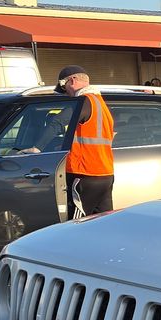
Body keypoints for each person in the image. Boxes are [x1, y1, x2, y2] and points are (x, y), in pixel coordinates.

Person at [55, 65, 115, 216]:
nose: (65, 93)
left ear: (72, 81)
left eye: (64, 87)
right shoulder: (100, 103)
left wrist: (36, 147)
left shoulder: (82, 102)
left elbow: (56, 123)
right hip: (105, 173)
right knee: (103, 221)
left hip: (84, 173)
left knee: (77, 223)